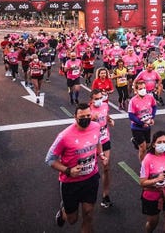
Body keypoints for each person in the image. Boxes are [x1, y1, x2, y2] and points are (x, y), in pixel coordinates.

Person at [45, 103, 108, 231]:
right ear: (75, 117)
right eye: (82, 116)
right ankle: (64, 212)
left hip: (91, 178)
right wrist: (68, 170)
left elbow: (98, 140)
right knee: (72, 219)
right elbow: (49, 159)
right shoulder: (64, 136)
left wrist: (100, 153)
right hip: (70, 183)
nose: (85, 119)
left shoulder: (96, 127)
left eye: (88, 116)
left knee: (89, 213)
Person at [89, 89, 115, 209]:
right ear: (91, 100)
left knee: (106, 167)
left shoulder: (105, 105)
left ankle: (106, 196)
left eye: (100, 98)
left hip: (105, 140)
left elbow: (106, 115)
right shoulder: (88, 111)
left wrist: (110, 120)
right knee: (89, 171)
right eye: (96, 98)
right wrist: (90, 120)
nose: (99, 100)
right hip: (92, 143)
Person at [128, 80, 158, 162]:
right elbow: (131, 115)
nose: (143, 90)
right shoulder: (133, 101)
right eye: (141, 88)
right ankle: (143, 166)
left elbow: (154, 107)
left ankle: (135, 141)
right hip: (137, 127)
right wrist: (141, 123)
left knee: (148, 145)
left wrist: (152, 118)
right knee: (143, 147)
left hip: (147, 125)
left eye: (144, 88)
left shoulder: (150, 97)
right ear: (136, 90)